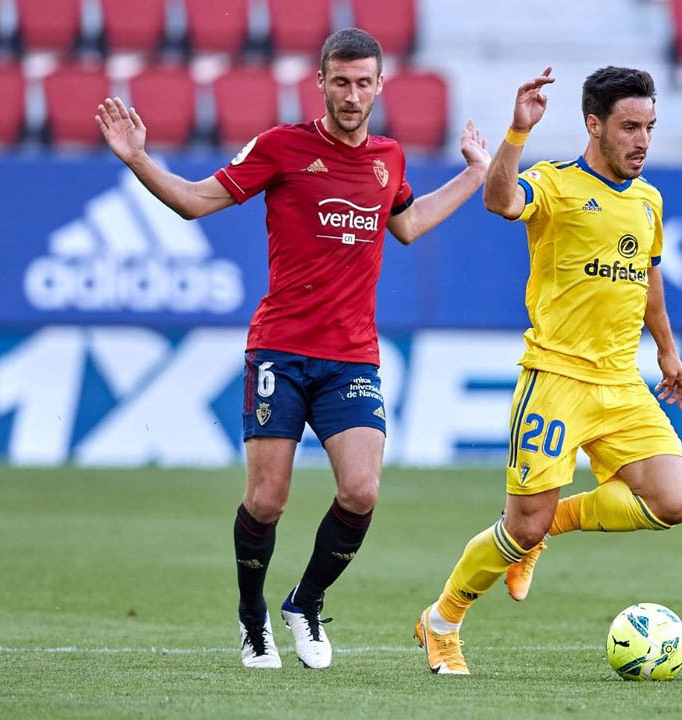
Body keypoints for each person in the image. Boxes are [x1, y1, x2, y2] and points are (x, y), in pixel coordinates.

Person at [95, 28, 491, 668]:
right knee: (266, 501)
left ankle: (304, 604)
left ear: (381, 85)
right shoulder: (282, 147)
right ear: (321, 83)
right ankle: (253, 619)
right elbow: (197, 202)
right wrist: (138, 159)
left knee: (361, 491)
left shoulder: (389, 156)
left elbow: (409, 225)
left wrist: (476, 174)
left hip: (352, 357)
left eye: (364, 83)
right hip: (280, 350)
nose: (352, 95)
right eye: (341, 82)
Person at [413, 66, 682, 675]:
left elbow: (647, 275)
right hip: (557, 378)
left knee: (673, 501)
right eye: (628, 127)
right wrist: (517, 132)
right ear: (594, 124)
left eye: (649, 126)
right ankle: (442, 621)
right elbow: (499, 199)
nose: (642, 140)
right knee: (519, 526)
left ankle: (547, 530)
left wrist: (667, 351)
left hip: (621, 381)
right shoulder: (555, 184)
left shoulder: (649, 199)